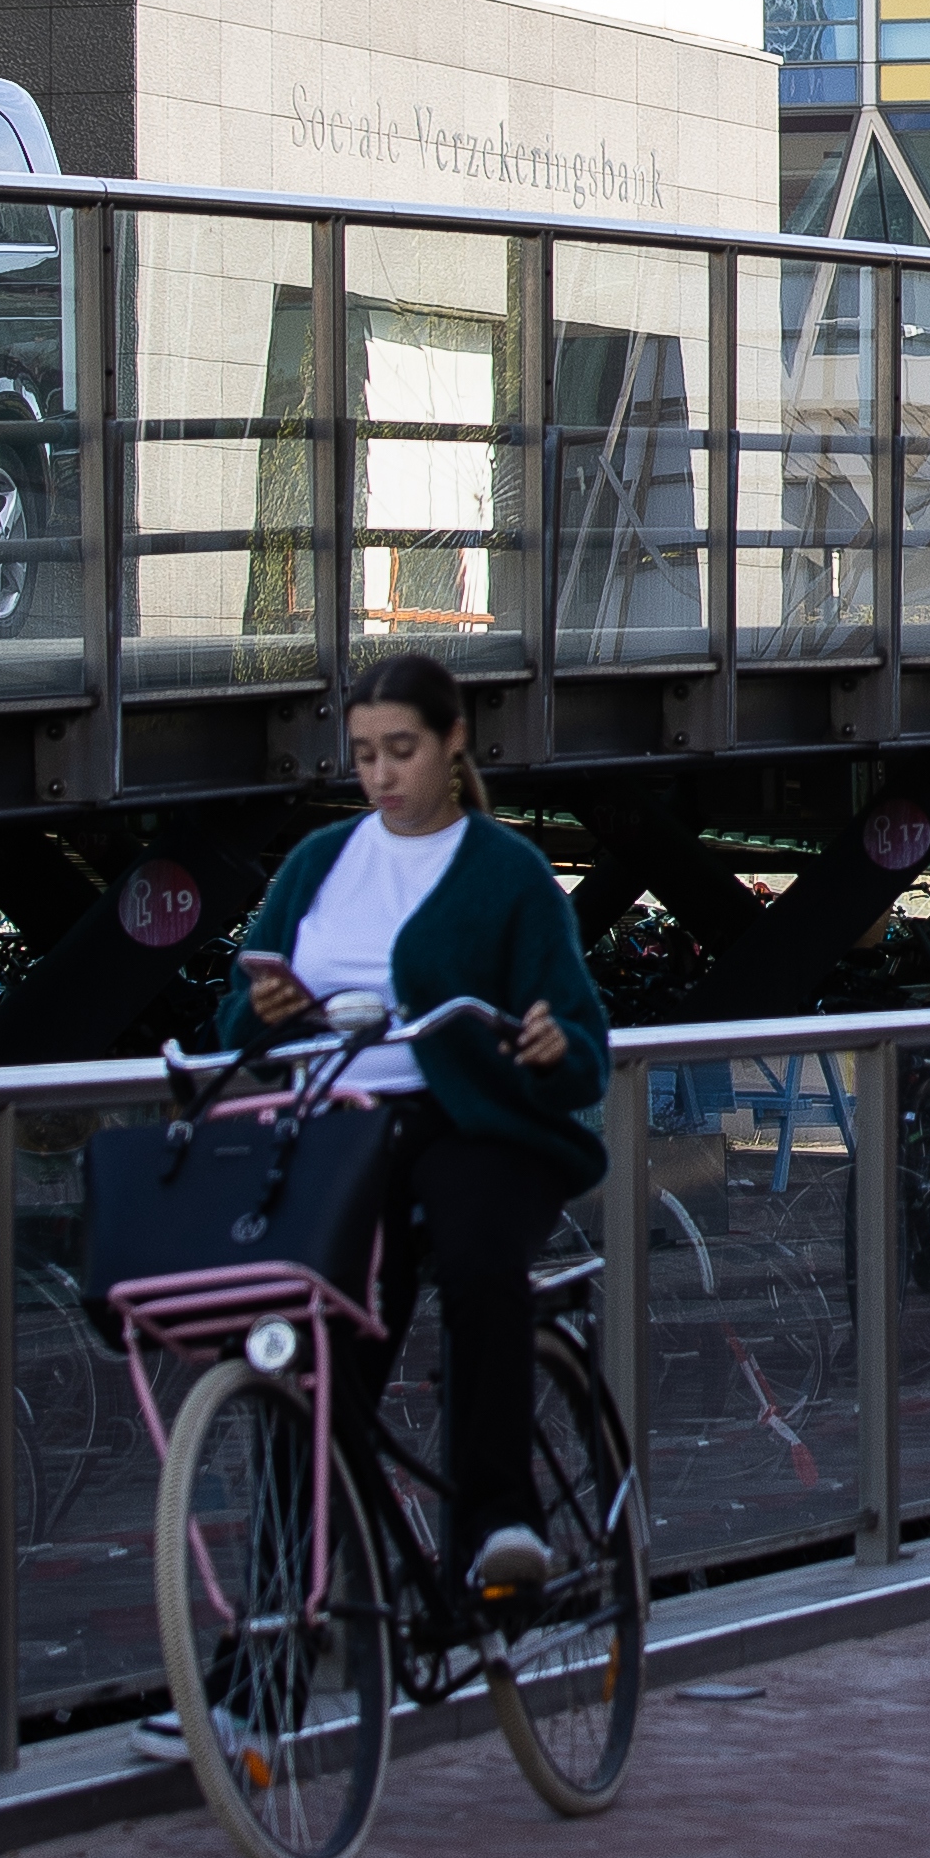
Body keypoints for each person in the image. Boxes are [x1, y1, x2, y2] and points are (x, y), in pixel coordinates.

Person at [235, 651, 612, 1610]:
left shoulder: (508, 872)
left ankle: (500, 1526)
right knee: (317, 1353)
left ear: (452, 745)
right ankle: (272, 1643)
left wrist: (542, 1040)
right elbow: (236, 1025)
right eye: (364, 756)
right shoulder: (319, 863)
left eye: (401, 751)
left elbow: (580, 1044)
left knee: (480, 1263)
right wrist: (266, 1012)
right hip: (343, 1126)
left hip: (474, 1121)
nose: (381, 776)